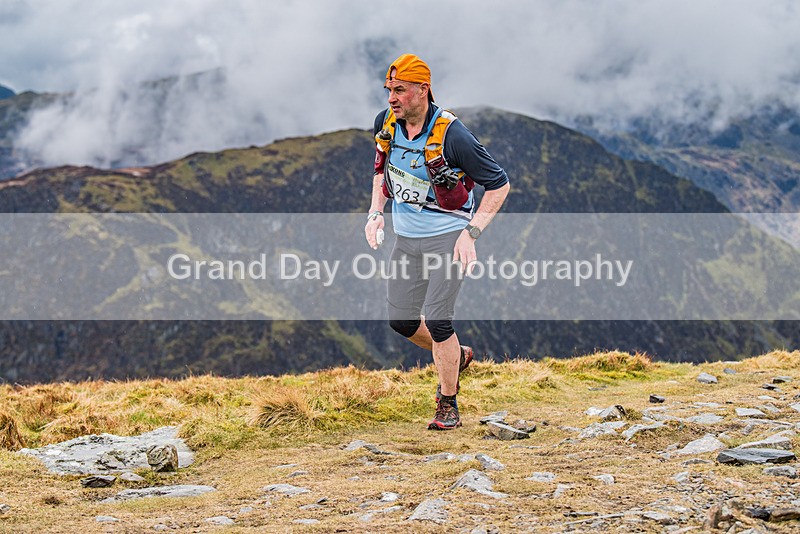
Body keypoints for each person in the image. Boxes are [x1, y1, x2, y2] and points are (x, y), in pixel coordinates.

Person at [364, 54, 509, 430]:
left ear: (422, 90)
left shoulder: (454, 135)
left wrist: (471, 233)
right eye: (389, 90)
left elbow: (499, 184)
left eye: (400, 90)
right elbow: (382, 171)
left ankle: (448, 404)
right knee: (402, 321)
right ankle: (455, 356)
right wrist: (375, 212)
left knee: (440, 321)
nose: (391, 98)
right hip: (406, 238)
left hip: (448, 236)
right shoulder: (386, 124)